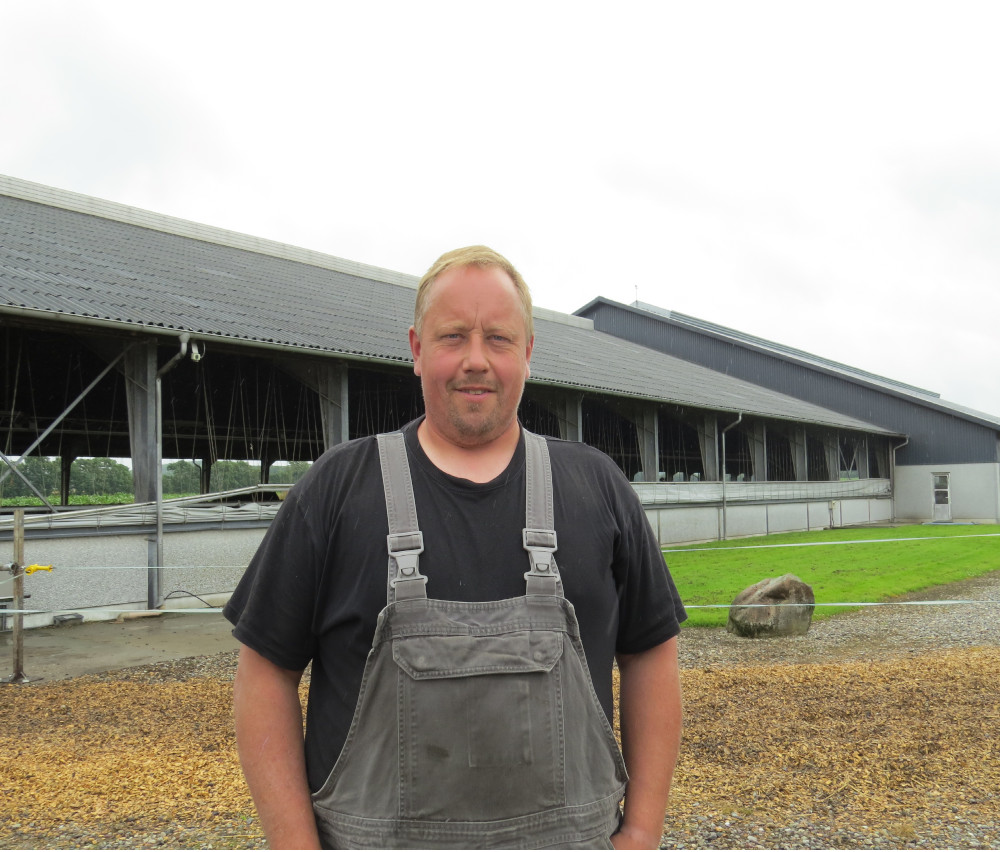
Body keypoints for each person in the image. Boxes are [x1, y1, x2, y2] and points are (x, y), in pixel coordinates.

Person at [225, 246, 686, 849]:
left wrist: (644, 830)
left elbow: (652, 655)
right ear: (416, 350)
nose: (476, 360)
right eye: (452, 337)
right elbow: (264, 673)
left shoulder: (598, 487)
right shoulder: (337, 489)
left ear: (528, 352)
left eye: (498, 338)